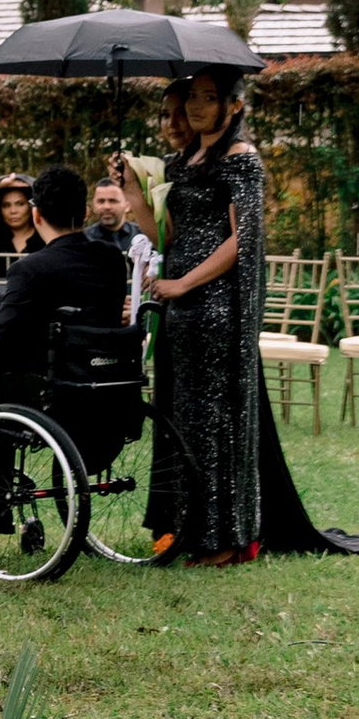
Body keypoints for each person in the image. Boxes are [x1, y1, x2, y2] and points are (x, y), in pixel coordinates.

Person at [119, 70, 265, 562]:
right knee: (182, 420)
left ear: (234, 106)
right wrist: (135, 195)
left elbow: (243, 238)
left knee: (211, 422)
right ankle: (186, 530)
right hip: (178, 307)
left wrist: (184, 282)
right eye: (194, 98)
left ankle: (222, 540)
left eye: (210, 98)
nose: (198, 107)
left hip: (217, 305)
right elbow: (167, 238)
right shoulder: (183, 161)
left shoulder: (241, 160)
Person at [0, 163, 131, 399]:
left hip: (46, 383)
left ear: (36, 215)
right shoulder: (113, 259)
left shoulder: (29, 269)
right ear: (86, 213)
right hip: (101, 375)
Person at [89, 169, 156, 323]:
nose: (106, 206)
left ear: (127, 204)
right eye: (101, 201)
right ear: (93, 205)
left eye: (113, 201)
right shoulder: (84, 240)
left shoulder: (146, 236)